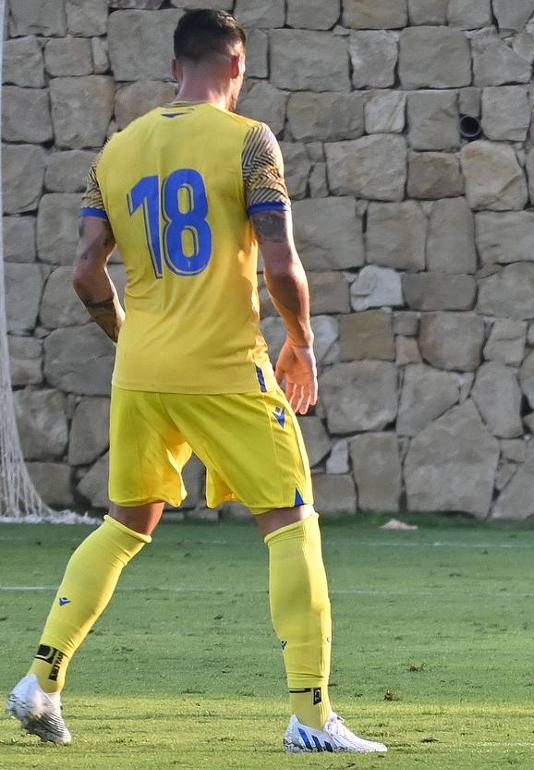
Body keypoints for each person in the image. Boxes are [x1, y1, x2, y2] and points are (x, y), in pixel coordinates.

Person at [5, 10, 386, 752]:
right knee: (291, 521)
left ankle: (40, 682)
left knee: (125, 522)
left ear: (175, 69)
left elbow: (86, 271)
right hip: (223, 366)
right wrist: (301, 339)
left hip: (142, 373)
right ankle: (311, 717)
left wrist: (131, 335)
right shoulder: (249, 142)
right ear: (236, 67)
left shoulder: (113, 153)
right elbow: (279, 260)